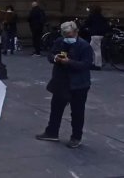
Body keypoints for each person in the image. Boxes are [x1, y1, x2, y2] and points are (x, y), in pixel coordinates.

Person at [36, 21, 93, 149]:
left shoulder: (84, 46)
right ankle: (52, 132)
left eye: (70, 36)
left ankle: (76, 137)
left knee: (77, 112)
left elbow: (86, 64)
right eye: (65, 36)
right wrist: (55, 58)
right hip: (61, 82)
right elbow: (50, 54)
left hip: (79, 84)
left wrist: (69, 62)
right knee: (56, 109)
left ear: (76, 32)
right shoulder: (60, 41)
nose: (68, 39)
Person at [82, 5, 109, 70]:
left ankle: (97, 65)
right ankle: (94, 63)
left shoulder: (92, 16)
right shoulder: (101, 17)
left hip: (95, 34)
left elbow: (86, 24)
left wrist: (82, 28)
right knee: (93, 48)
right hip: (101, 34)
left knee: (96, 50)